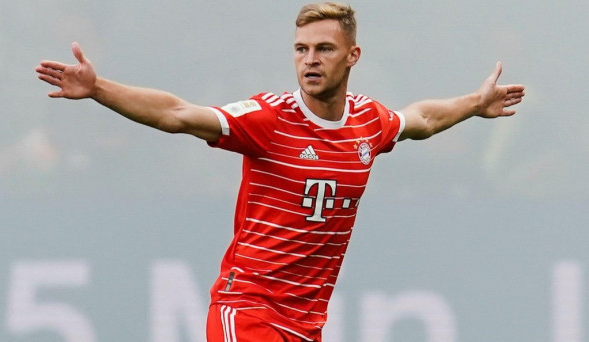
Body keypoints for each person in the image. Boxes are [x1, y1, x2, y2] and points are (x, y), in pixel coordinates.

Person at [35, 2, 525, 341]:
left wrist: (475, 104)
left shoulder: (367, 123)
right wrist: (100, 89)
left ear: (353, 56)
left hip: (305, 324)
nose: (310, 60)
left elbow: (421, 120)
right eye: (301, 49)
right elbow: (178, 114)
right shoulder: (269, 119)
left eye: (324, 49)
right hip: (246, 310)